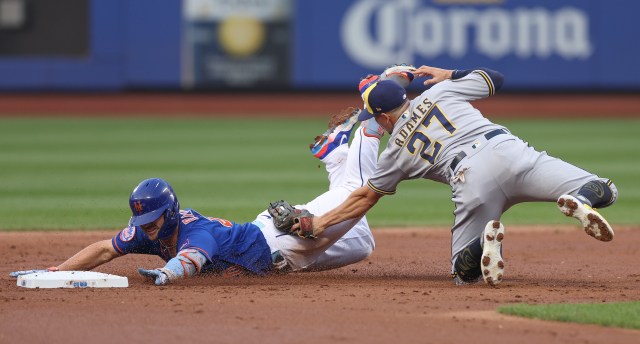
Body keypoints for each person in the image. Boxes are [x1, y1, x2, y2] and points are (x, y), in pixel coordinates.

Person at [295, 65, 618, 287]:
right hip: (510, 151)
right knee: (604, 189)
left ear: (381, 117)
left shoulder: (395, 152)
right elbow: (494, 78)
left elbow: (365, 197)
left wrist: (320, 223)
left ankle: (480, 247)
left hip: (471, 179)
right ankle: (580, 199)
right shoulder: (438, 93)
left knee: (465, 276)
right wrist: (447, 73)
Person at [9, 105, 387, 285]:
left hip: (288, 242)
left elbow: (191, 259)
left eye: (152, 221)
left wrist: (166, 272)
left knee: (353, 193)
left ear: (169, 214)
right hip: (280, 248)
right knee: (363, 245)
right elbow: (106, 248)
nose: (147, 229)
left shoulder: (194, 232)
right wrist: (57, 269)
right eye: (142, 222)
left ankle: (369, 125)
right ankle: (337, 155)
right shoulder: (148, 229)